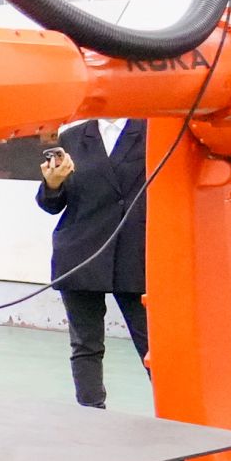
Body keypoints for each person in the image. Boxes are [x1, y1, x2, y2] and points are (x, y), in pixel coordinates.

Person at [39, 115, 151, 408]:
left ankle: (177, 418)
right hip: (81, 252)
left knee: (154, 347)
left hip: (136, 252)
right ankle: (90, 415)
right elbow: (51, 204)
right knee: (85, 346)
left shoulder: (153, 131)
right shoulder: (72, 137)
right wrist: (52, 184)